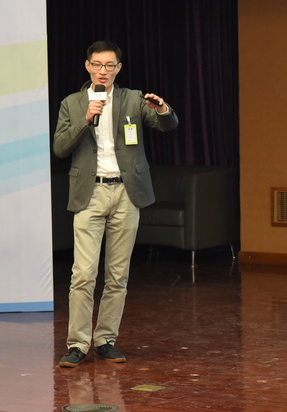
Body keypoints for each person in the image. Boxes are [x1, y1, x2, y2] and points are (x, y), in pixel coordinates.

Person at [53, 40, 178, 368]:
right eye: (97, 65)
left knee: (117, 274)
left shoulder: (133, 99)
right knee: (83, 274)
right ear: (87, 66)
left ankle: (106, 340)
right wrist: (86, 117)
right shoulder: (72, 103)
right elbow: (60, 148)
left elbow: (168, 125)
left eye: (110, 66)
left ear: (118, 68)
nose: (103, 71)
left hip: (126, 192)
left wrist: (162, 109)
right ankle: (77, 344)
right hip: (89, 193)